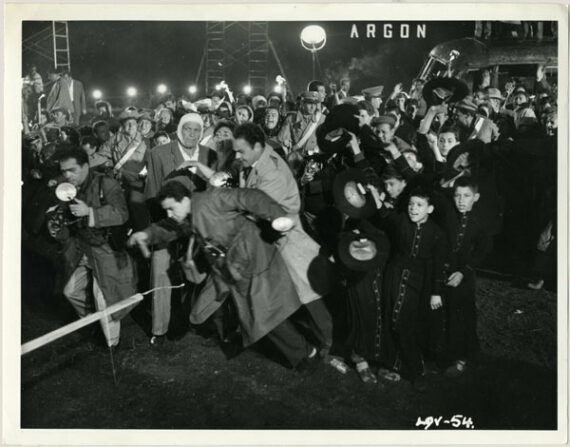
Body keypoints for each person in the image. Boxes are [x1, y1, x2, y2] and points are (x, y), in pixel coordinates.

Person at [129, 181, 324, 371]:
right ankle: (305, 353)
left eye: (171, 208)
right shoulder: (188, 216)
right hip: (237, 270)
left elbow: (249, 196)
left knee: (267, 316)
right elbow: (168, 227)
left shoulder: (213, 199)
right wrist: (146, 234)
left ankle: (308, 354)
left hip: (255, 260)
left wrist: (278, 217)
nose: (169, 214)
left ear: (184, 199)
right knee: (262, 318)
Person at [233, 123, 334, 357]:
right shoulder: (255, 163)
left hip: (287, 242)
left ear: (258, 146)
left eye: (241, 151)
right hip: (274, 240)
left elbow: (258, 208)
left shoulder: (273, 172)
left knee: (308, 294)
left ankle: (328, 341)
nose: (237, 156)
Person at [48, 147, 136, 347]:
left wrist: (90, 212)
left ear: (86, 166)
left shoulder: (107, 184)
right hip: (80, 249)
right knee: (70, 291)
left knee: (105, 297)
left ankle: (112, 344)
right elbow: (64, 218)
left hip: (104, 250)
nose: (67, 176)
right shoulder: (67, 188)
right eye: (64, 171)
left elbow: (121, 214)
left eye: (72, 170)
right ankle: (93, 322)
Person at [144, 112, 218, 345]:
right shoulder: (158, 153)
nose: (192, 134)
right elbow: (152, 192)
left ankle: (198, 320)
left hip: (200, 224)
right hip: (168, 223)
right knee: (160, 270)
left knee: (205, 270)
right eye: (188, 129)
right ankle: (159, 329)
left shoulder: (210, 155)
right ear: (179, 130)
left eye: (197, 130)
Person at [375, 186, 446, 389]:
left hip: (419, 282)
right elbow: (383, 213)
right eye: (411, 204)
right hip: (394, 276)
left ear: (429, 209)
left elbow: (436, 266)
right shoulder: (400, 221)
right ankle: (393, 364)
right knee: (391, 316)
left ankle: (417, 369)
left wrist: (435, 292)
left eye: (419, 205)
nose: (413, 209)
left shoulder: (436, 233)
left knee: (404, 322)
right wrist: (374, 193)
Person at [439, 177, 491, 377]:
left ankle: (461, 358)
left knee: (461, 316)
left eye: (466, 196)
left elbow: (482, 252)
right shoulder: (447, 214)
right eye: (457, 196)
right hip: (443, 272)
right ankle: (441, 351)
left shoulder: (480, 223)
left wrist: (464, 272)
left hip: (464, 275)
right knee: (442, 313)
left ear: (475, 197)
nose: (461, 200)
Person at [98, 108, 150, 231]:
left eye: (133, 123)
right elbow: (101, 156)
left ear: (137, 125)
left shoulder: (146, 141)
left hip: (139, 183)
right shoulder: (114, 140)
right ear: (122, 126)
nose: (131, 126)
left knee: (136, 207)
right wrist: (108, 165)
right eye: (128, 123)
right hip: (119, 182)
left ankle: (142, 237)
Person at [278, 91, 324, 156]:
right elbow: (283, 141)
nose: (312, 107)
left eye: (314, 104)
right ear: (302, 103)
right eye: (309, 103)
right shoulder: (291, 119)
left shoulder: (322, 119)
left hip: (316, 159)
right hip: (297, 159)